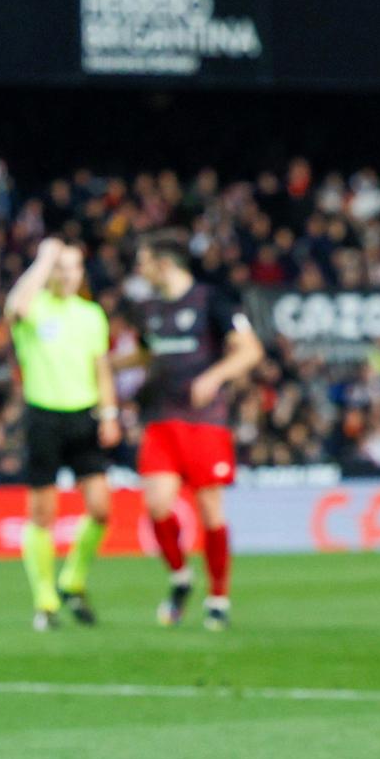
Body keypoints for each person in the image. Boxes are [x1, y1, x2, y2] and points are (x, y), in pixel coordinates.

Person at [130, 230, 264, 631]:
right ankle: (180, 577)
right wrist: (107, 366)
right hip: (161, 420)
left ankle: (218, 596)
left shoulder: (212, 301)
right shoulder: (148, 307)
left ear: (164, 263)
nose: (139, 269)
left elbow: (250, 350)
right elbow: (144, 353)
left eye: (144, 261)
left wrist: (214, 376)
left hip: (204, 422)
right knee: (156, 505)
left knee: (210, 512)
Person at [5, 239, 119, 630]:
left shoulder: (91, 315)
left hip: (83, 417)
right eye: (60, 267)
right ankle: (46, 600)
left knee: (101, 508)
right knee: (43, 514)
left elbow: (101, 368)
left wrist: (109, 413)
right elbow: (17, 306)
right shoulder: (34, 307)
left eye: (73, 268)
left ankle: (73, 579)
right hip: (44, 417)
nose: (67, 275)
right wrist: (43, 257)